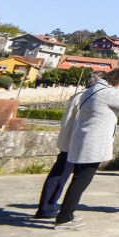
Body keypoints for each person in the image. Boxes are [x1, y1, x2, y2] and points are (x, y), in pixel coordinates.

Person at [57, 68, 119, 227]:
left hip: (83, 139)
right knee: (81, 181)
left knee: (78, 179)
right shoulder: (107, 93)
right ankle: (64, 217)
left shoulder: (94, 89)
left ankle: (66, 214)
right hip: (92, 143)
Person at [33, 89, 85, 219]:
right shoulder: (84, 97)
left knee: (60, 175)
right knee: (61, 176)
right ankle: (48, 208)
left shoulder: (80, 96)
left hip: (70, 142)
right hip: (74, 143)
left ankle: (47, 207)